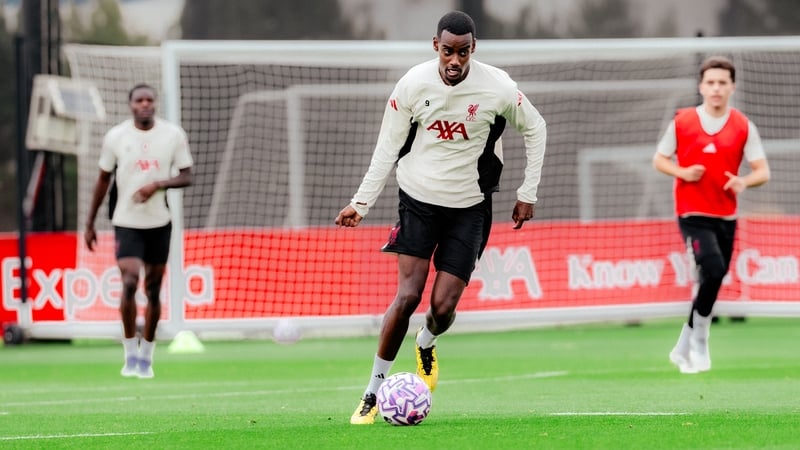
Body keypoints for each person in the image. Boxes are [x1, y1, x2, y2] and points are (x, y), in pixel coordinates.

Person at [336, 11, 547, 424]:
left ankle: (427, 341)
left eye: (463, 52)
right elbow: (387, 147)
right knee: (408, 295)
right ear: (436, 46)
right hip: (417, 200)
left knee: (443, 305)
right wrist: (360, 203)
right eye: (448, 51)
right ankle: (372, 393)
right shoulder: (413, 84)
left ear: (473, 49)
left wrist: (528, 193)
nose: (455, 60)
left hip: (470, 207)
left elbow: (536, 127)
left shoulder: (497, 87)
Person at [653, 56, 770, 374]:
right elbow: (660, 159)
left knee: (714, 277)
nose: (716, 88)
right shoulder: (682, 122)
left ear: (732, 87)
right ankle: (701, 340)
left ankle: (684, 343)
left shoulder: (744, 125)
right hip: (691, 213)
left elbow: (763, 171)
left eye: (722, 82)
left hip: (726, 215)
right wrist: (682, 172)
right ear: (701, 87)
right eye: (711, 82)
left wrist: (743, 180)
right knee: (714, 267)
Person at [85, 83, 193, 379]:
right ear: (130, 104)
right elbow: (103, 180)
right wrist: (89, 223)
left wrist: (157, 184)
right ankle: (129, 352)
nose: (144, 104)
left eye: (149, 99)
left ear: (155, 103)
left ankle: (147, 354)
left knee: (154, 290)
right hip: (126, 221)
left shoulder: (172, 135)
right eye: (139, 100)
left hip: (159, 222)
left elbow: (186, 176)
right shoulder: (116, 137)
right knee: (130, 281)